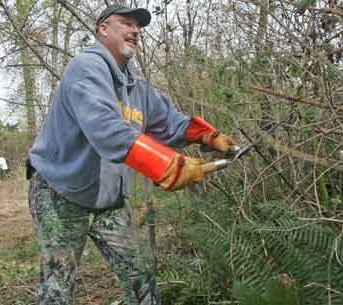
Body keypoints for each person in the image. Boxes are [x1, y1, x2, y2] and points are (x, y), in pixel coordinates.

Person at [27, 4, 238, 305]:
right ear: (103, 29)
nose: (135, 31)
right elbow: (107, 131)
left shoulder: (135, 86)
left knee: (140, 272)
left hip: (106, 199)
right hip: (59, 191)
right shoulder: (86, 69)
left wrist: (206, 134)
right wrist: (168, 165)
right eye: (126, 23)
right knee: (57, 288)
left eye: (137, 27)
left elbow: (167, 122)